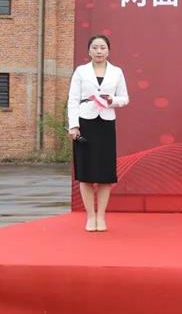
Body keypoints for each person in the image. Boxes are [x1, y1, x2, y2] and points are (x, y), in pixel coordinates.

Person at [67, 35, 130, 232]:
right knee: (86, 173)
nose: (99, 51)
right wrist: (73, 126)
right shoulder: (81, 71)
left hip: (106, 124)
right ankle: (90, 216)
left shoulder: (117, 72)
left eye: (102, 47)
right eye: (95, 47)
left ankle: (101, 216)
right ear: (89, 50)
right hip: (85, 123)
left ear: (108, 50)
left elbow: (125, 98)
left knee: (104, 174)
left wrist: (111, 100)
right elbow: (72, 100)